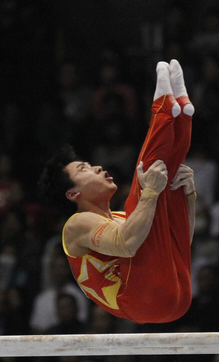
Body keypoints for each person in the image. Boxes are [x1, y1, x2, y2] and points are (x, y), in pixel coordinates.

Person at [38, 59, 196, 324]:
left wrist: (188, 197)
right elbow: (126, 244)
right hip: (140, 301)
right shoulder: (75, 225)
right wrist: (149, 194)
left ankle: (181, 115)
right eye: (84, 169)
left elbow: (177, 243)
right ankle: (164, 110)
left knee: (168, 187)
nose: (98, 167)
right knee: (147, 183)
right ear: (73, 194)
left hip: (177, 295)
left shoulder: (125, 217)